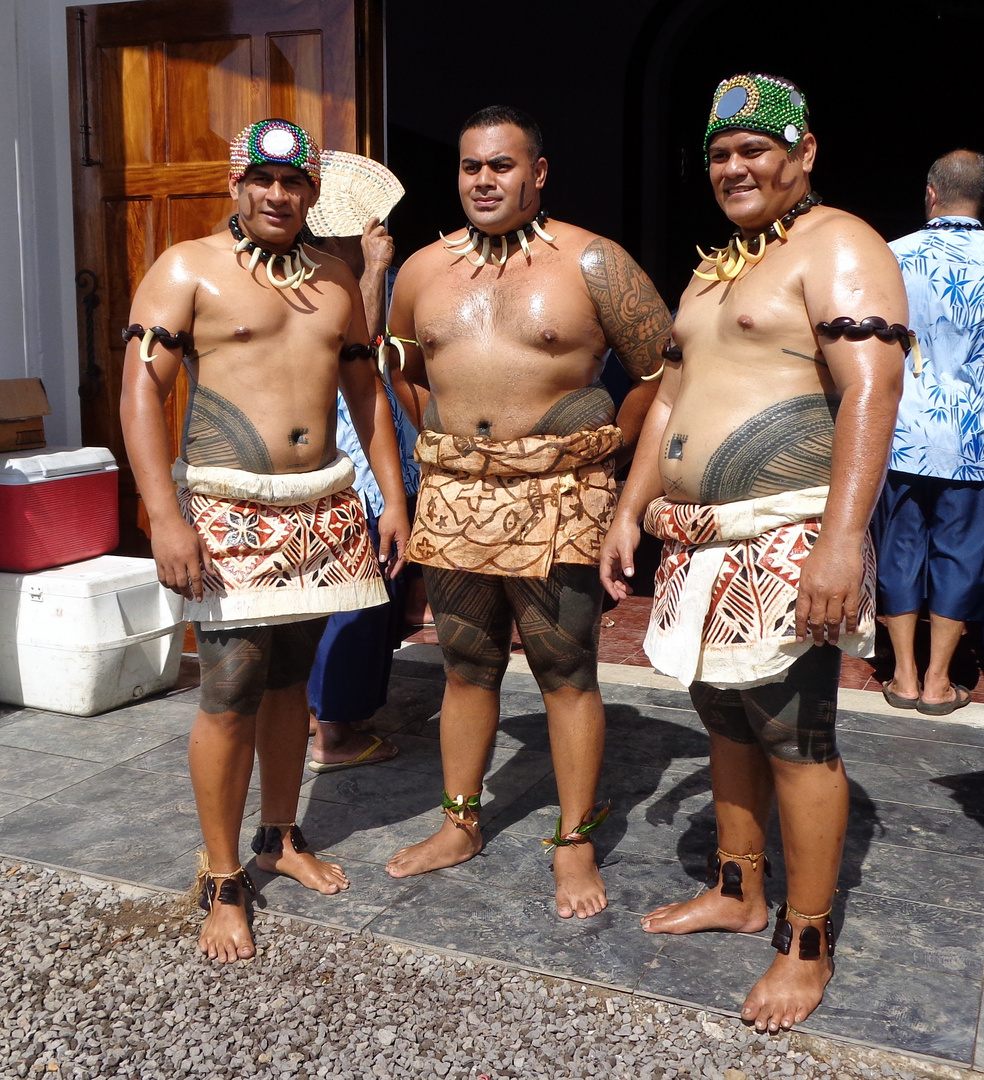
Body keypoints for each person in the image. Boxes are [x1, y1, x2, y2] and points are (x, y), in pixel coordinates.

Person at [600, 73, 908, 1030]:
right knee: (722, 717)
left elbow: (871, 391)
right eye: (719, 155)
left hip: (788, 531)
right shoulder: (714, 268)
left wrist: (840, 542)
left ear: (802, 153)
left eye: (754, 150)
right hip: (696, 541)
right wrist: (628, 504)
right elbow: (674, 401)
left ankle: (804, 942)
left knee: (793, 731)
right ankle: (737, 891)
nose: (734, 168)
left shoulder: (840, 243)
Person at [119, 118, 409, 963]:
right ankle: (220, 876)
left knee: (292, 680)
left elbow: (365, 394)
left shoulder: (334, 279)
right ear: (236, 185)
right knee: (232, 685)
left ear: (314, 192)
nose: (279, 196)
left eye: (295, 184)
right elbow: (143, 395)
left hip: (321, 505)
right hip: (227, 505)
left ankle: (279, 835)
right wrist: (162, 515)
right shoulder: (185, 269)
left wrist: (388, 498)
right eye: (263, 181)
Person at [383, 105, 672, 919]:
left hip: (561, 493)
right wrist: (445, 444)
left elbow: (661, 367)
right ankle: (459, 821)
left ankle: (574, 841)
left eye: (501, 166)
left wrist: (604, 445)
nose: (483, 180)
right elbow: (404, 369)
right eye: (471, 166)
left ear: (536, 173)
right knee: (465, 664)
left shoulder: (592, 261)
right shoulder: (420, 270)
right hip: (454, 490)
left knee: (564, 667)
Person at [873, 150, 984, 715]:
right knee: (962, 552)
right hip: (977, 437)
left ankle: (901, 674)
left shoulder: (887, 257)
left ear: (930, 193)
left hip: (901, 433)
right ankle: (939, 681)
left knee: (899, 546)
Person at [306, 214, 420, 770]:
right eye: (357, 234)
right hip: (352, 476)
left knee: (376, 600)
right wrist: (373, 267)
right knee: (357, 605)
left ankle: (333, 715)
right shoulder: (323, 288)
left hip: (383, 474)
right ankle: (332, 735)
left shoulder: (385, 281)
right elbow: (360, 349)